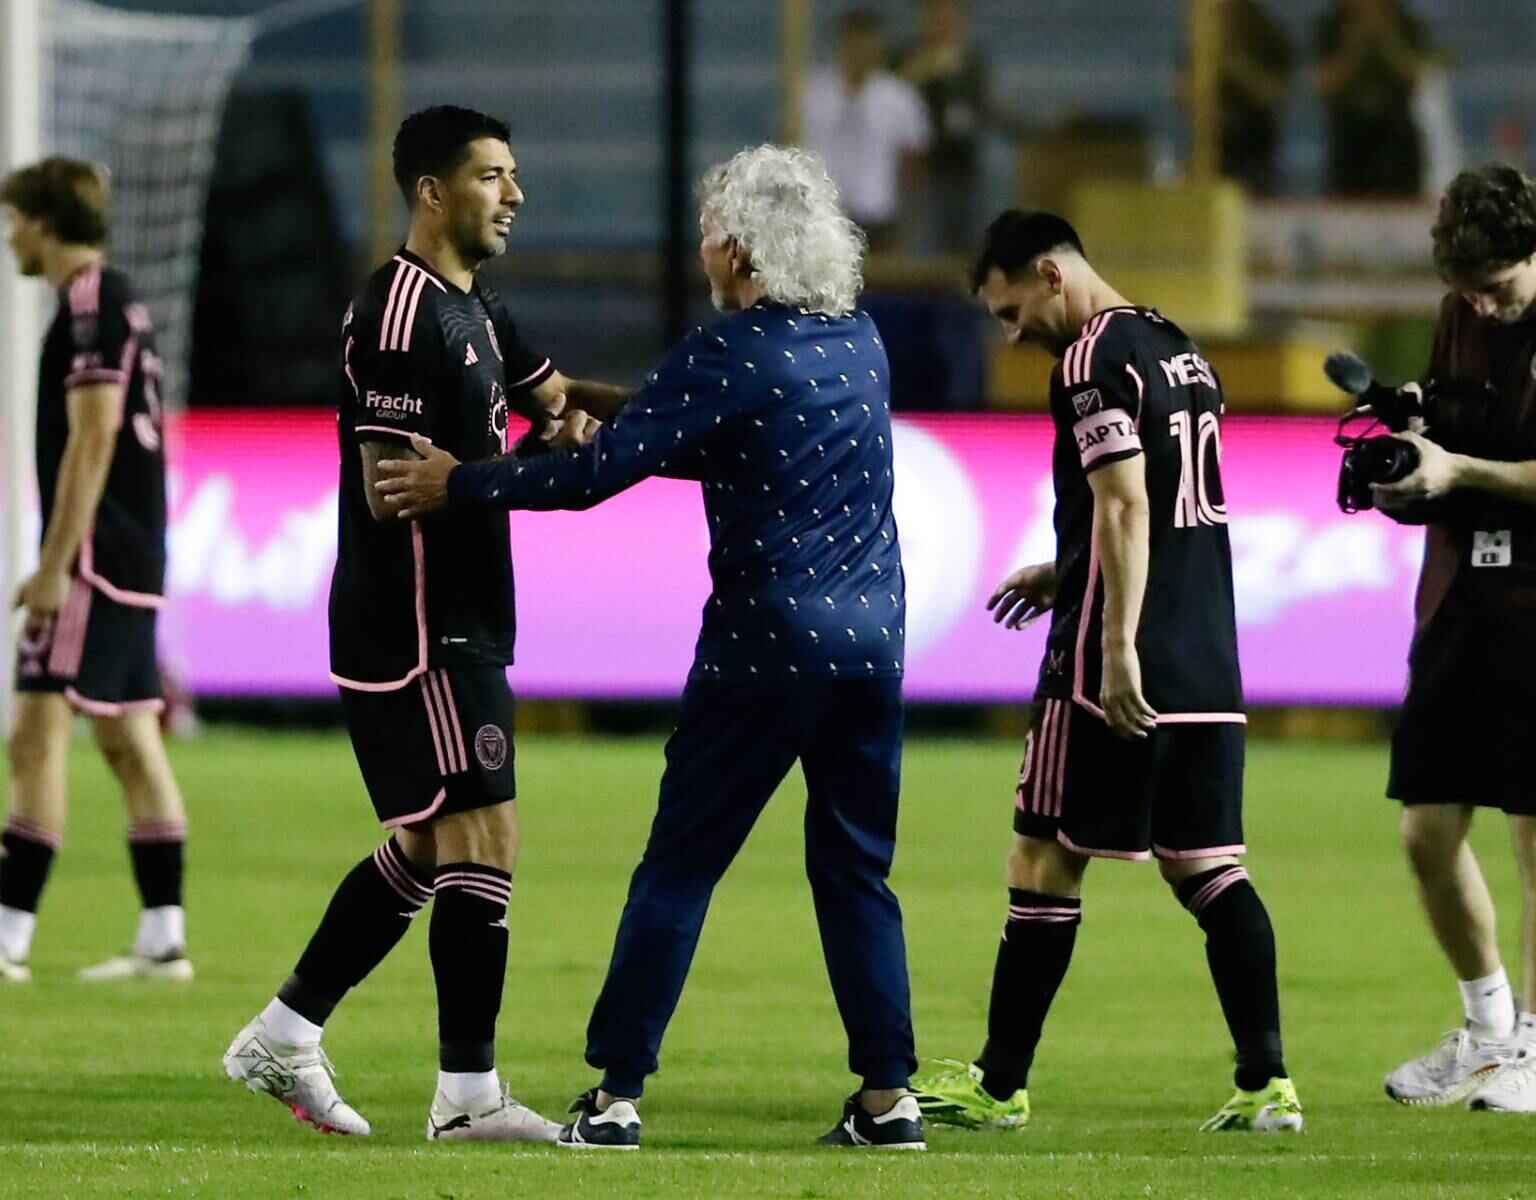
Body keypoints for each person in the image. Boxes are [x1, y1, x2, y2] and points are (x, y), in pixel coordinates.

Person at [375, 144, 924, 1151]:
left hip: (765, 647)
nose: (702, 245)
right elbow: (729, 440)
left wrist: (461, 482)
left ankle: (617, 1095)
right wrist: (599, 404)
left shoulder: (732, 350)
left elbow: (596, 479)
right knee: (857, 874)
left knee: (678, 869)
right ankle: (889, 1101)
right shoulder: (859, 340)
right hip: (873, 647)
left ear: (742, 251)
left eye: (712, 230)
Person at [221, 105, 618, 1141]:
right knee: (484, 834)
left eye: (514, 173)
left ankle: (285, 1031)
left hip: (466, 610)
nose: (515, 194)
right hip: (416, 619)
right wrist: (528, 465)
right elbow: (393, 487)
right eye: (493, 176)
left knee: (435, 843)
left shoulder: (477, 309)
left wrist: (677, 415)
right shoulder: (398, 314)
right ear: (432, 192)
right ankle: (467, 1097)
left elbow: (559, 399)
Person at [908, 210, 1303, 1134]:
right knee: (1208, 866)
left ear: (1050, 274)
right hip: (1207, 655)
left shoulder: (1088, 361)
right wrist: (1069, 566)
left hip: (1110, 660)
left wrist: (1117, 645)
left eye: (1012, 311)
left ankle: (999, 1085)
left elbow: (1126, 506)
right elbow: (1161, 503)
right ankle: (1267, 1083)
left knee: (1043, 857)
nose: (1014, 335)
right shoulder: (1177, 347)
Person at [1373, 164, 1536, 1114]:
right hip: (1461, 595)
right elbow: (1447, 431)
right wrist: (1411, 461)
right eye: (1467, 290)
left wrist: (1462, 469)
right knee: (1426, 830)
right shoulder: (1459, 314)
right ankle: (1488, 1031)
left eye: (1497, 288)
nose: (1482, 306)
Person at [1, 157, 192, 985]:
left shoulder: (89, 301)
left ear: (45, 222)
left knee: (34, 737)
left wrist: (53, 565)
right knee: (127, 734)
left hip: (95, 556)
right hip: (133, 551)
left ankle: (7, 934)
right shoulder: (119, 299)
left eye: (15, 219)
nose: (10, 236)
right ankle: (162, 937)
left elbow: (94, 433)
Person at [801, 8, 930, 251]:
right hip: (823, 213)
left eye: (865, 41)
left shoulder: (900, 97)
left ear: (878, 45)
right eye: (852, 41)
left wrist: (906, 223)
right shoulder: (812, 92)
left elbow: (913, 163)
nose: (858, 50)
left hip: (877, 215)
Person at [894, 0, 991, 252]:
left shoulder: (971, 62)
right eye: (937, 14)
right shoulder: (906, 57)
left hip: (964, 167)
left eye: (950, 15)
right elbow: (891, 93)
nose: (943, 21)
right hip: (923, 170)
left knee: (970, 245)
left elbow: (985, 107)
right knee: (928, 246)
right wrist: (929, 67)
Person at [1313, 0, 1430, 198]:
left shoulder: (1405, 25)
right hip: (1349, 136)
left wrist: (1386, 39)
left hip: (1396, 134)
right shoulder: (1331, 27)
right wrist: (1356, 44)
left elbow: (1415, 79)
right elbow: (1324, 84)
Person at [1179, 0, 1294, 197]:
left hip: (1254, 154)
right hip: (1212, 152)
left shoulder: (1267, 37)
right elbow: (1182, 94)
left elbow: (1276, 95)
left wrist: (1236, 65)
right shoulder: (1203, 42)